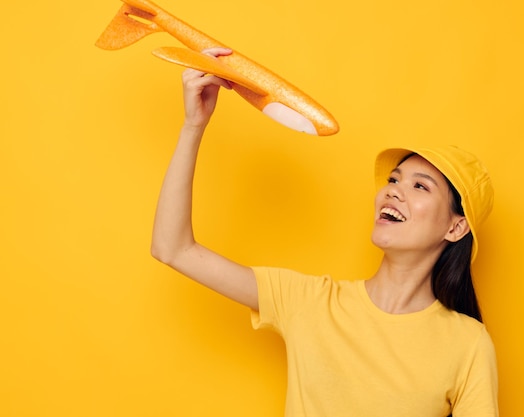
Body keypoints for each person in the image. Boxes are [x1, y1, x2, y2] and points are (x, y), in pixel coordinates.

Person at [151, 48, 499, 417]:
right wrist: (194, 126)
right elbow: (173, 249)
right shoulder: (310, 302)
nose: (394, 189)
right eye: (394, 179)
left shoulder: (467, 343)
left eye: (420, 186)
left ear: (456, 226)